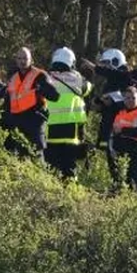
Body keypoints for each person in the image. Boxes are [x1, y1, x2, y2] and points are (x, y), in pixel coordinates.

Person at [79, 48, 133, 184]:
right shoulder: (110, 82)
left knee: (117, 154)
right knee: (105, 151)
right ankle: (111, 181)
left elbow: (125, 102)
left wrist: (94, 67)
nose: (104, 67)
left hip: (121, 127)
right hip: (108, 124)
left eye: (107, 64)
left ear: (115, 61)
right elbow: (107, 100)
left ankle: (121, 183)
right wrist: (99, 103)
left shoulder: (126, 77)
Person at [0, 46, 59, 158]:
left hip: (34, 124)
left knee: (36, 159)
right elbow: (8, 102)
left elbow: (54, 96)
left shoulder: (40, 75)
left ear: (31, 60)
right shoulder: (13, 77)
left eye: (25, 58)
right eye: (19, 58)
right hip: (17, 125)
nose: (22, 61)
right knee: (18, 160)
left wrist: (41, 89)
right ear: (16, 60)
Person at [43, 47, 91, 180]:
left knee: (50, 168)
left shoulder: (47, 78)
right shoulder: (77, 79)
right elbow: (88, 88)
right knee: (69, 168)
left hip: (50, 130)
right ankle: (70, 195)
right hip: (71, 132)